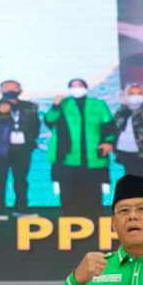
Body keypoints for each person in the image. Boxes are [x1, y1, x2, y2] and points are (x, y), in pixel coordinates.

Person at [45, 78, 115, 212]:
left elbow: (110, 126)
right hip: (67, 157)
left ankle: (93, 220)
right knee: (68, 195)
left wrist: (108, 142)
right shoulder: (63, 104)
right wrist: (55, 105)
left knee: (93, 195)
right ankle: (70, 221)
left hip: (93, 156)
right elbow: (49, 120)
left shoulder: (98, 104)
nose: (77, 88)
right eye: (73, 86)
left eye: (80, 85)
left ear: (86, 87)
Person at [0, 80, 41, 219]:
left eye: (15, 88)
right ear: (1, 91)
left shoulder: (30, 106)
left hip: (23, 148)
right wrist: (0, 113)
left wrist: (30, 140)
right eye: (7, 88)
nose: (11, 91)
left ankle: (21, 208)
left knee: (21, 179)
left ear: (20, 90)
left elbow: (36, 125)